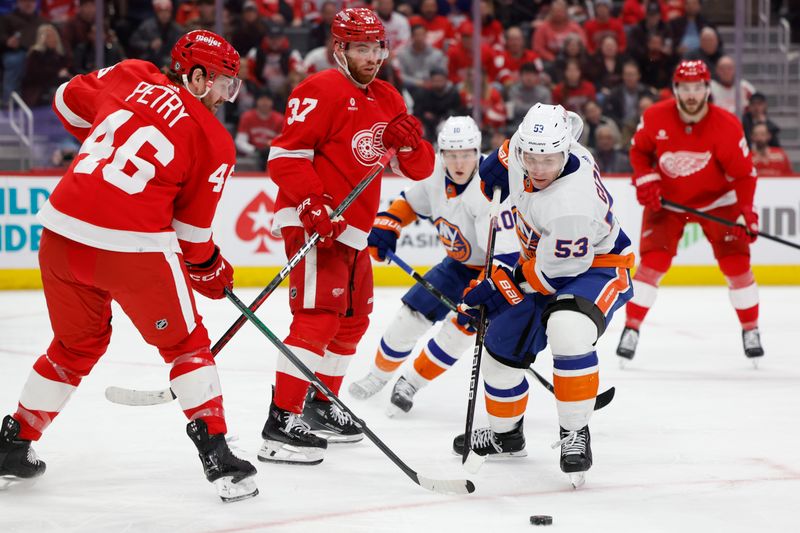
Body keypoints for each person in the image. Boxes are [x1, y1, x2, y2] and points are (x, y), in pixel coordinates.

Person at [0, 30, 258, 502]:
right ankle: (218, 455)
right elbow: (193, 239)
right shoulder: (213, 140)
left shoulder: (130, 74)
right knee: (185, 344)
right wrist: (212, 271)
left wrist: (108, 133)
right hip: (130, 247)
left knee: (75, 345)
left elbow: (64, 102)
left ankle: (14, 441)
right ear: (197, 77)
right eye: (223, 82)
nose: (226, 94)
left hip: (60, 233)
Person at [261, 7, 435, 465]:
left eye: (378, 47)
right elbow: (285, 157)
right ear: (339, 49)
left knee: (353, 321)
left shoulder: (388, 97)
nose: (373, 56)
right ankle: (281, 422)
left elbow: (420, 170)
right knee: (319, 317)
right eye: (362, 47)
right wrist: (313, 204)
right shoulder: (319, 88)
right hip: (315, 221)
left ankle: (319, 404)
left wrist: (414, 143)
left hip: (353, 227)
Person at [453, 103, 634, 487]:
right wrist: (495, 165)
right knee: (499, 350)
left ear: (566, 152)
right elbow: (510, 151)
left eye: (548, 160)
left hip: (595, 266)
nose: (537, 168)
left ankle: (574, 432)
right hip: (541, 260)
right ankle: (506, 435)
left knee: (567, 328)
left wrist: (499, 289)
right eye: (531, 158)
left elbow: (551, 277)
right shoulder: (530, 145)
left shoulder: (573, 202)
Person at [348, 116, 519, 414]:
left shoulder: (491, 188)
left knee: (460, 329)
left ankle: (411, 383)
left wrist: (487, 286)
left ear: (477, 151)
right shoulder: (433, 176)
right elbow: (411, 204)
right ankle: (378, 376)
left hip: (490, 271)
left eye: (466, 154)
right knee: (409, 316)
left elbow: (504, 253)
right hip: (455, 265)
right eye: (451, 155)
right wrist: (387, 226)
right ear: (442, 155)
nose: (459, 162)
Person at [616, 60, 764, 364]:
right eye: (686, 88)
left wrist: (745, 212)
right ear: (675, 89)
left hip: (719, 202)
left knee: (736, 266)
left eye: (698, 87)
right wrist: (647, 177)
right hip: (668, 203)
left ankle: (751, 328)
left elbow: (745, 175)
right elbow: (638, 151)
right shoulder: (656, 116)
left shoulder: (726, 125)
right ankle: (631, 327)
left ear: (708, 89)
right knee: (653, 264)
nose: (692, 94)